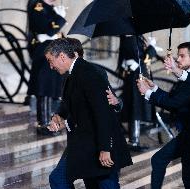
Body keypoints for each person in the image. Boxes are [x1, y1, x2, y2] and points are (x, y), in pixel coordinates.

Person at [46, 38, 132, 189]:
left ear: (62, 56)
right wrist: (59, 117)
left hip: (98, 143)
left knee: (104, 184)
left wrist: (105, 148)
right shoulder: (71, 75)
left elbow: (102, 113)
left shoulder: (90, 73)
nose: (50, 66)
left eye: (50, 61)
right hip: (85, 143)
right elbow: (71, 104)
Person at [137, 42, 190, 189]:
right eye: (178, 55)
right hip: (188, 134)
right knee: (159, 160)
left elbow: (175, 103)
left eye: (182, 56)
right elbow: (174, 99)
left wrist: (148, 93)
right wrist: (155, 89)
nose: (178, 59)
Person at [26, 0, 66, 135]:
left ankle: (53, 123)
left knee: (54, 88)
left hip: (52, 50)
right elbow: (48, 30)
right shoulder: (38, 6)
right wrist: (60, 18)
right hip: (44, 53)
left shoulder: (50, 8)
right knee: (45, 88)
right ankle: (44, 124)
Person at [117, 35, 153, 152]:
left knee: (136, 109)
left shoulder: (134, 37)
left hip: (137, 76)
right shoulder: (131, 38)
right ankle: (134, 141)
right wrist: (151, 49)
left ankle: (134, 140)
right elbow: (139, 59)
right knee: (135, 109)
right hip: (136, 78)